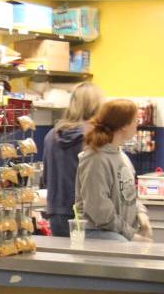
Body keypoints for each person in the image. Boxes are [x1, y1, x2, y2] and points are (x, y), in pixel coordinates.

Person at [73, 99, 151, 242]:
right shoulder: (95, 159)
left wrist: (141, 214)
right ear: (123, 125)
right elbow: (99, 210)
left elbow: (128, 194)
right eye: (135, 121)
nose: (137, 125)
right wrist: (131, 235)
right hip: (100, 234)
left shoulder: (120, 155)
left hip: (119, 232)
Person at [40, 82, 103, 237]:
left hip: (56, 213)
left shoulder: (51, 135)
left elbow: (46, 179)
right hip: (86, 215)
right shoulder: (94, 136)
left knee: (63, 260)